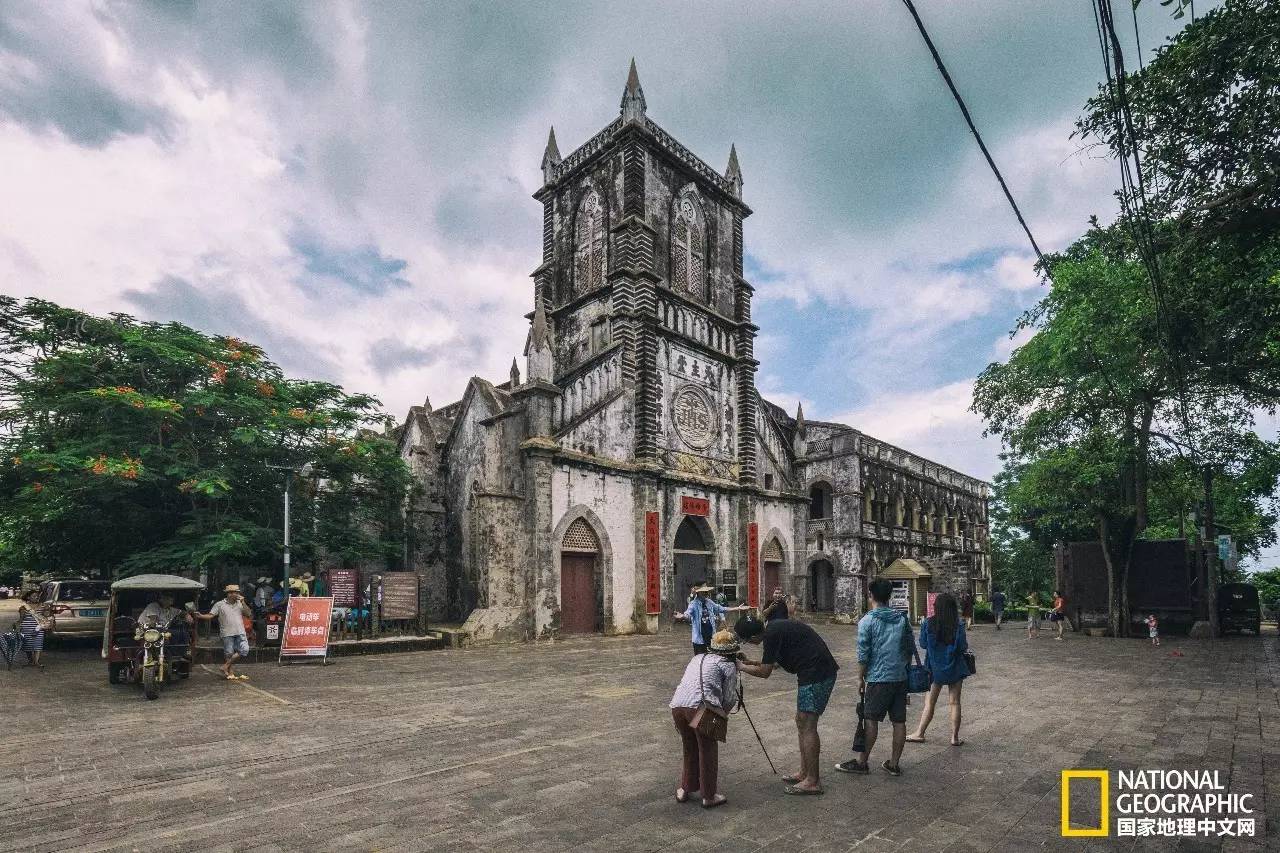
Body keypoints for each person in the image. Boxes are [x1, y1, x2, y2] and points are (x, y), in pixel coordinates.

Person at [735, 613, 838, 795]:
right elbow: (773, 664)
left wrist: (741, 667)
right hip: (813, 671)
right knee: (801, 721)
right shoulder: (773, 628)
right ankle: (805, 772)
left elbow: (765, 672)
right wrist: (749, 662)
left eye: (746, 641)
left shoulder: (772, 634)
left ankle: (813, 781)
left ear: (752, 638)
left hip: (817, 672)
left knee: (807, 724)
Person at [834, 579, 916, 777]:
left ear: (870, 595)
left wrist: (860, 678)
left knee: (870, 718)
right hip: (900, 677)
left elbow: (863, 654)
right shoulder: (902, 619)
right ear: (889, 596)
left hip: (878, 678)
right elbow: (909, 649)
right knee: (899, 721)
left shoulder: (867, 621)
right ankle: (894, 764)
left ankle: (862, 762)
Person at [669, 629, 741, 809]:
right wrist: (720, 714)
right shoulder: (728, 665)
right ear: (732, 652)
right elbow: (730, 697)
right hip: (700, 707)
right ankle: (709, 796)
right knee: (707, 750)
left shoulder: (697, 658)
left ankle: (685, 788)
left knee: (689, 747)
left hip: (678, 705)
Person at [905, 593, 969, 746]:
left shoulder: (928, 623)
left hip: (934, 669)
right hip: (955, 667)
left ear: (937, 607)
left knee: (930, 703)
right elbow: (963, 646)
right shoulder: (958, 624)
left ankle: (920, 732)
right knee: (955, 702)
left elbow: (923, 644)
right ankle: (954, 737)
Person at [192, 584, 253, 681]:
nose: (236, 594)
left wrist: (243, 602)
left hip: (240, 631)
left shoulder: (240, 603)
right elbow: (211, 615)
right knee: (229, 653)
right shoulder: (220, 604)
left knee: (245, 650)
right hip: (227, 632)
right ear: (229, 594)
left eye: (237, 592)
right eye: (234, 592)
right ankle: (230, 672)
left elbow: (249, 613)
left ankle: (225, 666)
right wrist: (201, 616)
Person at [674, 584, 746, 654]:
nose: (706, 593)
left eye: (706, 591)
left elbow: (722, 609)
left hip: (711, 636)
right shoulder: (693, 604)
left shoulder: (709, 602)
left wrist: (737, 608)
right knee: (700, 659)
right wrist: (683, 616)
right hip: (699, 639)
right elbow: (688, 614)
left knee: (711, 658)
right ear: (698, 592)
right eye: (704, 591)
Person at [16, 590, 47, 669]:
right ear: (28, 597)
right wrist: (16, 624)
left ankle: (36, 662)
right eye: (34, 596)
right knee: (27, 646)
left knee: (38, 645)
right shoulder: (23, 608)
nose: (36, 597)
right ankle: (30, 661)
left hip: (39, 628)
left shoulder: (42, 606)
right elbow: (21, 619)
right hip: (26, 629)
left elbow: (45, 617)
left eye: (37, 596)